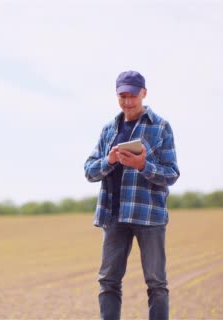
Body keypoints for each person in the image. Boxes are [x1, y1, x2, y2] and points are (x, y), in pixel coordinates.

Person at [84, 70, 180, 320]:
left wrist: (142, 166)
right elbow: (89, 170)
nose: (127, 101)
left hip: (149, 216)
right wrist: (110, 160)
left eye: (132, 95)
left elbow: (171, 174)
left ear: (144, 93)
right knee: (108, 282)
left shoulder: (160, 127)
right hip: (114, 216)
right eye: (122, 95)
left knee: (156, 284)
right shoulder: (109, 129)